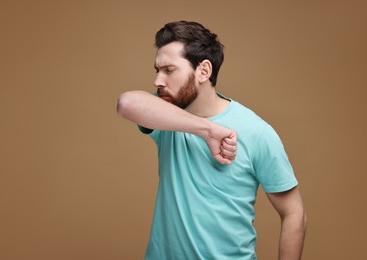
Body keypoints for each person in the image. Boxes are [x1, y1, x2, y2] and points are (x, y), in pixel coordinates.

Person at [117, 20, 307, 260]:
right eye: (157, 70)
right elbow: (127, 103)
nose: (158, 81)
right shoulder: (166, 114)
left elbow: (294, 213)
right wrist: (208, 130)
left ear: (204, 71)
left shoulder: (257, 131)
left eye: (169, 70)